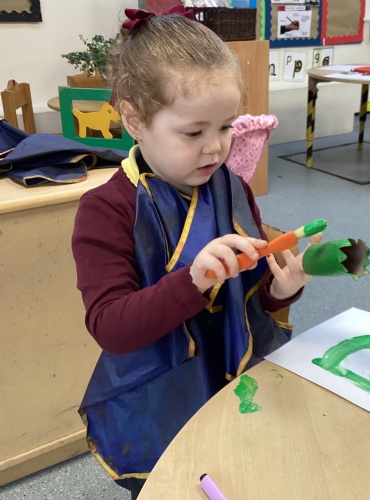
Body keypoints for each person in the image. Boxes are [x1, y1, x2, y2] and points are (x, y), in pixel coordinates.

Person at [71, 8, 321, 500]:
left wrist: (279, 290)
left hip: (235, 378)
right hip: (160, 395)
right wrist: (191, 280)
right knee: (175, 484)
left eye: (226, 126)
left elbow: (249, 298)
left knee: (239, 472)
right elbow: (111, 328)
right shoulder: (107, 209)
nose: (215, 149)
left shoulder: (230, 187)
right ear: (135, 120)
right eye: (193, 133)